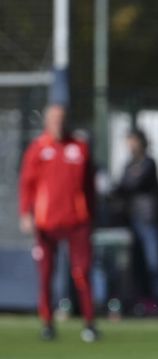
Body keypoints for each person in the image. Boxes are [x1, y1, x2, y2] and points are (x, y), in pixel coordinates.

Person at [18, 103, 99, 342]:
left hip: (77, 221)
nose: (58, 124)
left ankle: (89, 322)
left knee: (82, 272)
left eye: (62, 119)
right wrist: (26, 213)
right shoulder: (38, 149)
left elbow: (90, 186)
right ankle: (47, 322)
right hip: (47, 223)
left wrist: (92, 215)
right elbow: (27, 185)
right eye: (54, 120)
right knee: (46, 275)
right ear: (46, 122)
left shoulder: (79, 148)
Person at [114, 128, 158, 314]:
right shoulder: (129, 165)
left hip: (148, 219)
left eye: (134, 141)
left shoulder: (149, 163)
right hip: (134, 219)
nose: (131, 145)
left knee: (154, 263)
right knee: (138, 264)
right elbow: (122, 186)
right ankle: (143, 302)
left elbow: (132, 184)